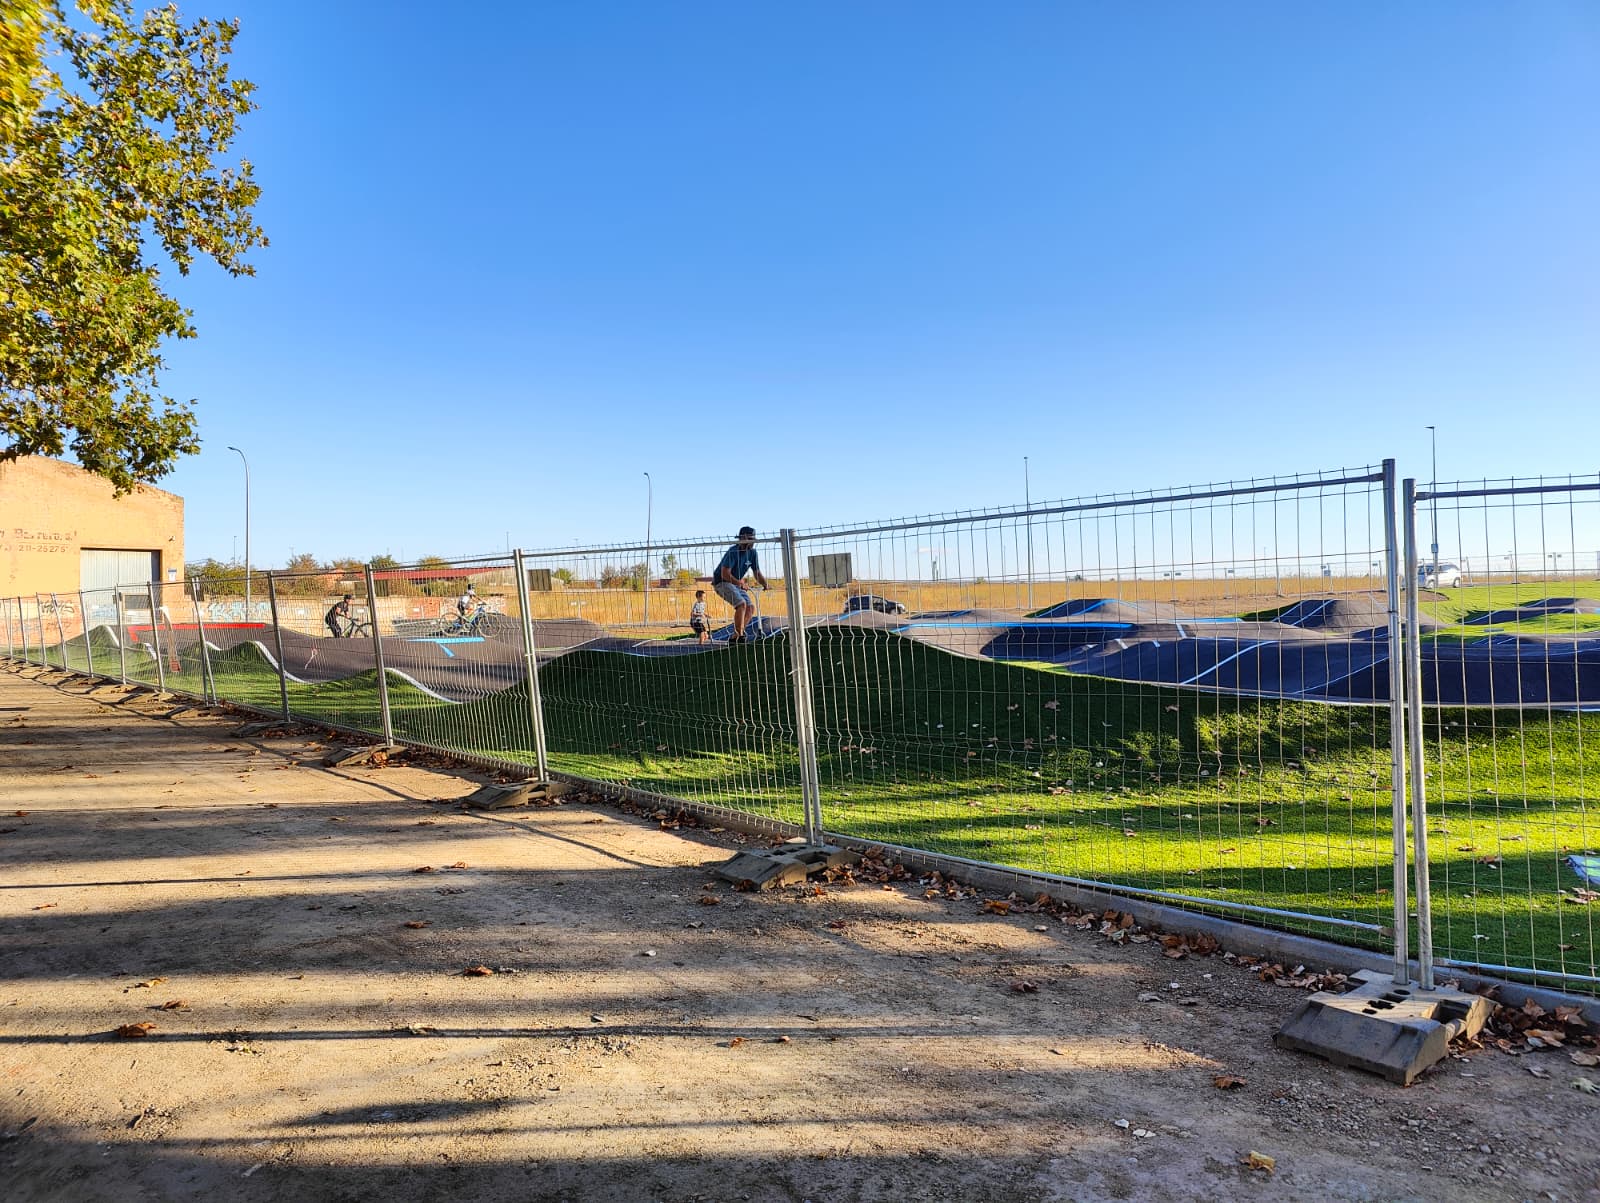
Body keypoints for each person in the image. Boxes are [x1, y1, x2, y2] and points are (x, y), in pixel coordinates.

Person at [713, 526, 770, 644]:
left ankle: (736, 636)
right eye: (750, 538)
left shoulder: (753, 553)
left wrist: (765, 584)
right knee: (741, 604)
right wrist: (740, 583)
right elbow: (724, 573)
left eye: (753, 539)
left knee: (750, 607)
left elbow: (757, 572)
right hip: (722, 582)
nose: (753, 541)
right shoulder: (733, 551)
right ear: (743, 538)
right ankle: (740, 634)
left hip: (736, 583)